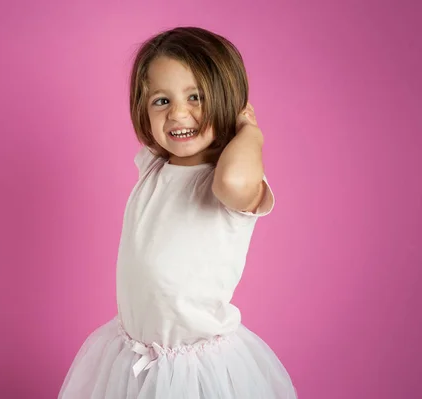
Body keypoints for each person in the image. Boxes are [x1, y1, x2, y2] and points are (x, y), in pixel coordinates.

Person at [58, 26, 298, 398]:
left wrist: (250, 131)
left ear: (229, 103)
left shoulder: (229, 181)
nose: (178, 114)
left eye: (195, 97)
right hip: (135, 356)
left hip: (194, 369)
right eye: (161, 101)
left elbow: (233, 181)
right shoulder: (155, 166)